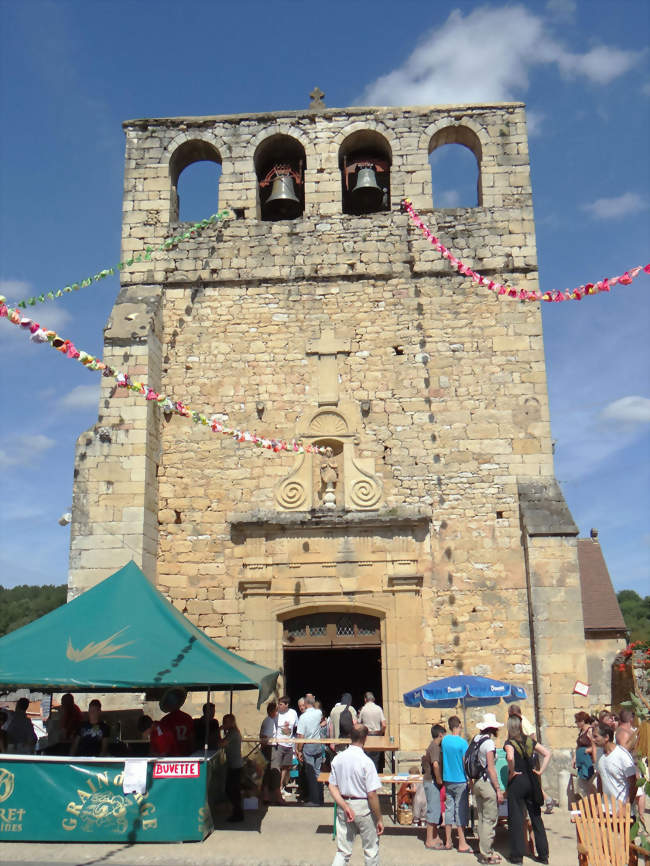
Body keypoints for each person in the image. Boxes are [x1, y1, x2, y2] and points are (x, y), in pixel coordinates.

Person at [328, 724, 384, 866]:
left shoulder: (338, 759)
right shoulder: (366, 762)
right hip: (363, 806)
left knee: (342, 851)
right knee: (371, 849)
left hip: (344, 804)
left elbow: (332, 786)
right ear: (365, 738)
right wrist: (379, 818)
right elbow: (372, 794)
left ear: (350, 737)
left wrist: (344, 806)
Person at [504, 714, 550, 865]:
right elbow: (547, 753)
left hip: (518, 781)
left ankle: (517, 856)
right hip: (532, 780)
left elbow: (510, 758)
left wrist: (511, 772)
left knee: (516, 819)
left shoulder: (509, 743)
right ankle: (543, 855)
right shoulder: (530, 741)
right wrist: (540, 771)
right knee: (536, 817)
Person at [471, 712, 506, 865]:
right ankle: (487, 854)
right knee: (490, 819)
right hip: (486, 783)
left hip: (477, 782)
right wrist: (498, 789)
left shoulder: (476, 740)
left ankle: (483, 849)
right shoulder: (489, 744)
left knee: (481, 817)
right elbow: (491, 768)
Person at [441, 715, 471, 853]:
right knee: (460, 810)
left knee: (449, 809)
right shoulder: (463, 743)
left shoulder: (445, 741)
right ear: (458, 726)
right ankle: (462, 842)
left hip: (448, 779)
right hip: (460, 779)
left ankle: (448, 841)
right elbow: (466, 762)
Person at [593, 722, 637, 805]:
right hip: (605, 809)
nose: (593, 739)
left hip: (622, 811)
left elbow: (634, 782)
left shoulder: (622, 755)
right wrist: (598, 804)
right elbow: (600, 781)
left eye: (595, 736)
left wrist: (627, 805)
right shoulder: (599, 754)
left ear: (606, 737)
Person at [150, 687, 194, 756]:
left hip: (171, 756)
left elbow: (164, 742)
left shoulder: (165, 720)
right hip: (187, 755)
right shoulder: (188, 718)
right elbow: (192, 738)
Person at [296, 694, 324, 805]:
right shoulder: (318, 713)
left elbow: (301, 736)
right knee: (318, 773)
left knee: (311, 774)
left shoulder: (303, 717)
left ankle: (314, 800)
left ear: (306, 704)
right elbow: (322, 721)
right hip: (318, 745)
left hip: (308, 745)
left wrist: (299, 750)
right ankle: (320, 798)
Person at [421, 722, 445, 849]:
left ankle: (435, 836)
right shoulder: (435, 747)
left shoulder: (433, 746)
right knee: (433, 811)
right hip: (432, 782)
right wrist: (439, 779)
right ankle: (429, 840)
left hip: (430, 782)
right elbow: (435, 764)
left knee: (436, 810)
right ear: (440, 734)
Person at [222, 713, 244, 822]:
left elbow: (222, 744)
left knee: (231, 790)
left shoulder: (233, 733)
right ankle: (237, 812)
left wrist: (218, 731)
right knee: (232, 790)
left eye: (225, 722)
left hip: (235, 766)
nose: (223, 724)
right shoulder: (231, 732)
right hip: (233, 764)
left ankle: (238, 813)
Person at [260, 700, 283, 805]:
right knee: (275, 772)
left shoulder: (268, 720)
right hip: (270, 748)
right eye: (276, 711)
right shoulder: (269, 721)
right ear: (273, 711)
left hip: (269, 748)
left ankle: (266, 796)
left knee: (268, 773)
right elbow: (265, 737)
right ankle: (277, 797)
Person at [276, 695, 298, 796]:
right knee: (277, 767)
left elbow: (296, 727)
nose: (279, 706)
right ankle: (276, 789)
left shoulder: (293, 713)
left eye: (280, 704)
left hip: (289, 744)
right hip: (279, 743)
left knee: (286, 767)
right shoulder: (276, 714)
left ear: (286, 705)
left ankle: (281, 787)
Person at [358, 692, 386, 770]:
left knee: (367, 759)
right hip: (377, 736)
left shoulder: (363, 709)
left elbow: (359, 724)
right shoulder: (378, 708)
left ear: (365, 699)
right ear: (373, 699)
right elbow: (384, 725)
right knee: (375, 759)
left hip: (367, 736)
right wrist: (381, 732)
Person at [573, 711, 596, 800]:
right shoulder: (581, 732)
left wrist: (587, 750)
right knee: (582, 784)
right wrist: (574, 758)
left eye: (577, 721)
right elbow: (578, 746)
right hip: (581, 761)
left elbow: (595, 745)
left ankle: (592, 804)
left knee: (588, 783)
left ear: (582, 721)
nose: (576, 724)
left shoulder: (590, 730)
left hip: (588, 760)